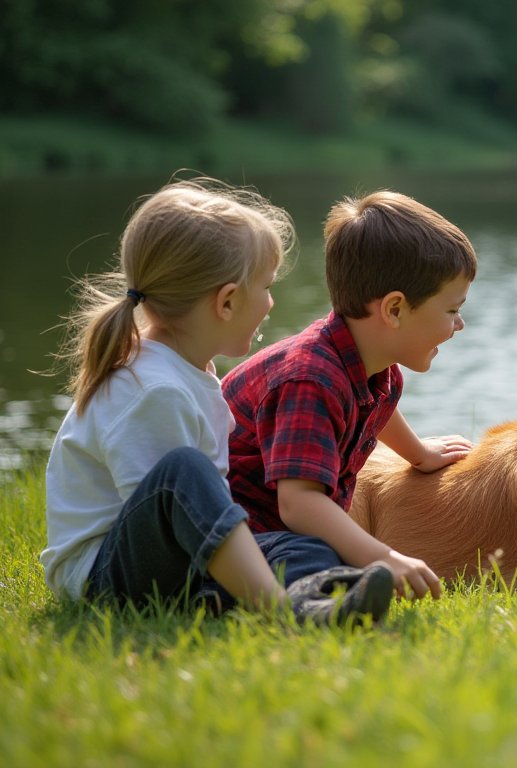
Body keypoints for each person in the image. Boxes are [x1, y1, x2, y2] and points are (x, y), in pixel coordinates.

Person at [42, 178, 393, 625]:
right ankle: (283, 610)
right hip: (104, 580)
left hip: (168, 559)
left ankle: (316, 599)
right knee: (183, 472)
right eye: (265, 287)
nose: (270, 302)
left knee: (301, 544)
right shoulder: (154, 390)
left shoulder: (186, 368)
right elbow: (172, 508)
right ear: (226, 302)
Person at [223, 190, 476, 603]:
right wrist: (385, 557)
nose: (460, 323)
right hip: (237, 539)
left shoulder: (376, 368)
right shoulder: (310, 379)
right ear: (394, 310)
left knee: (321, 550)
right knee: (313, 554)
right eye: (451, 310)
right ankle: (321, 604)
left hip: (271, 535)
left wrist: (419, 454)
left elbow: (374, 410)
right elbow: (299, 504)